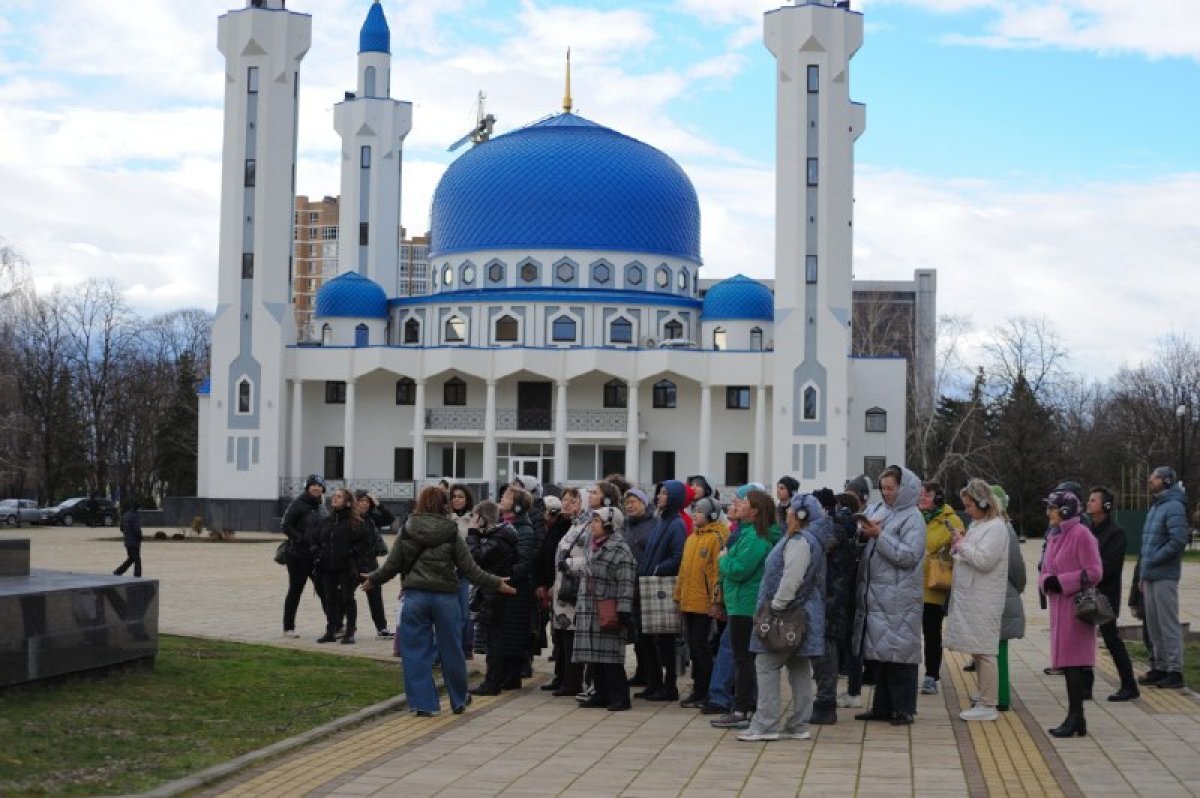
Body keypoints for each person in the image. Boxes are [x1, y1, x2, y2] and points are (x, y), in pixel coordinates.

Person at [362, 487, 514, 716]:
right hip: (446, 598)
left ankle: (424, 704)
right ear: (445, 505)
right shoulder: (452, 530)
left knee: (414, 653)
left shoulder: (407, 529)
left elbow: (392, 565)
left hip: (415, 597)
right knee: (452, 649)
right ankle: (459, 699)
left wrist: (373, 580)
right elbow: (470, 569)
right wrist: (496, 583)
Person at [738, 493, 828, 742]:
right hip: (803, 614)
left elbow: (791, 578)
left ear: (800, 516)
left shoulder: (800, 541)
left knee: (766, 664)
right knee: (798, 665)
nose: (785, 516)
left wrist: (777, 605)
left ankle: (765, 725)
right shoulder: (810, 539)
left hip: (788, 615)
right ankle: (799, 724)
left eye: (789, 513)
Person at [852, 465, 925, 726]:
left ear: (903, 489)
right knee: (879, 653)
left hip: (899, 596)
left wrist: (879, 536)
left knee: (900, 654)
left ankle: (904, 708)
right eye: (883, 488)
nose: (886, 493)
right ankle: (882, 706)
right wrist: (862, 533)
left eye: (891, 488)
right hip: (876, 594)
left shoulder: (913, 517)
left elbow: (909, 556)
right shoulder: (879, 510)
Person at [711, 487, 782, 730]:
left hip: (746, 605)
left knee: (744, 660)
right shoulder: (748, 534)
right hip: (739, 604)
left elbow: (739, 569)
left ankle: (742, 709)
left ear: (755, 511)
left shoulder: (756, 538)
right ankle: (746, 705)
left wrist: (723, 560)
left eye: (743, 503)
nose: (737, 505)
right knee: (744, 659)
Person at [943, 479, 1009, 722]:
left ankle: (989, 703)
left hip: (985, 598)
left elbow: (984, 560)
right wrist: (958, 543)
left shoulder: (996, 528)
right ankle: (983, 694)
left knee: (985, 650)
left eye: (970, 505)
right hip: (974, 597)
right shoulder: (979, 525)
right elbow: (967, 554)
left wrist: (963, 546)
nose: (967, 510)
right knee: (979, 650)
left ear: (983, 503)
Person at [1040, 488, 1103, 737]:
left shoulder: (1082, 535)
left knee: (1074, 664)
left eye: (1052, 508)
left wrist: (1063, 581)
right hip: (1059, 608)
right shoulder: (1055, 536)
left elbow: (1095, 572)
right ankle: (1077, 718)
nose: (1048, 513)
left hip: (1077, 609)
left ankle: (1075, 717)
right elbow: (1045, 568)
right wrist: (1047, 581)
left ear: (1065, 510)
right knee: (1068, 665)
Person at [574, 506, 638, 711]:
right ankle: (601, 694)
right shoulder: (590, 545)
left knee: (611, 657)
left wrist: (624, 609)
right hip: (589, 607)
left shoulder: (620, 549)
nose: (592, 525)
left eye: (597, 521)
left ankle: (620, 697)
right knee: (595, 657)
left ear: (610, 525)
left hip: (608, 607)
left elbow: (626, 582)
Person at [1080, 485, 1137, 701]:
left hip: (1105, 596)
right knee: (1084, 638)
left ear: (1106, 505)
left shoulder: (1116, 533)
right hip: (1088, 592)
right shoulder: (1088, 530)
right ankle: (1086, 687)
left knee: (1112, 639)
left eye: (1093, 500)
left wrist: (1088, 572)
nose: (1088, 503)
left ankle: (1129, 685)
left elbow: (1109, 566)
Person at [1137, 466, 1189, 690]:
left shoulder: (1174, 506)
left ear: (1166, 481)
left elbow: (1178, 540)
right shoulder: (1156, 507)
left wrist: (1155, 559)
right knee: (1154, 624)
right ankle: (1159, 666)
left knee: (1167, 623)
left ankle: (1175, 671)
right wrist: (1143, 573)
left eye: (1155, 477)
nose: (1150, 479)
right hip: (1150, 575)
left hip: (1165, 575)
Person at [636, 479, 688, 701]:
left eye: (665, 493)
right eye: (659, 493)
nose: (659, 497)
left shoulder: (676, 524)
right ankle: (654, 682)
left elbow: (678, 556)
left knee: (664, 639)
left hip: (662, 587)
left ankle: (669, 685)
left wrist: (657, 569)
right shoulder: (661, 520)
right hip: (649, 584)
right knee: (648, 637)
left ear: (674, 497)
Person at [675, 496, 729, 708]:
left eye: (699, 511)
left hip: (705, 604)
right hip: (689, 601)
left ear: (712, 515)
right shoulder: (692, 538)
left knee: (702, 648)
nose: (694, 514)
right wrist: (678, 595)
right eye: (694, 510)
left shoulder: (716, 538)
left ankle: (704, 690)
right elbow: (684, 570)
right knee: (694, 648)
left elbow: (717, 573)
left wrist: (716, 601)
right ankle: (698, 688)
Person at [809, 487, 856, 725]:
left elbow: (836, 572)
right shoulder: (828, 531)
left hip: (829, 599)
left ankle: (825, 701)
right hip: (827, 598)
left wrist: (829, 601)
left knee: (825, 649)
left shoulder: (829, 533)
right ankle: (823, 699)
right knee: (821, 650)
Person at [467, 501, 520, 695]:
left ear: (482, 518)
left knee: (494, 640)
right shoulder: (499, 535)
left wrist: (472, 534)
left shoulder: (500, 538)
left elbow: (477, 558)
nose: (472, 521)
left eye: (474, 517)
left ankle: (492, 683)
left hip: (495, 594)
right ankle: (492, 681)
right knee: (492, 639)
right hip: (491, 593)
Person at [918, 482, 963, 696]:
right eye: (920, 495)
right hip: (912, 584)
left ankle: (931, 676)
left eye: (927, 495)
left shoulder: (950, 520)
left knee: (931, 632)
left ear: (938, 498)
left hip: (934, 585)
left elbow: (939, 545)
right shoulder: (915, 517)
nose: (922, 499)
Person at [494, 485, 537, 690]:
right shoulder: (502, 524)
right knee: (503, 633)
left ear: (518, 505)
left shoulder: (524, 528)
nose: (502, 498)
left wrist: (508, 576)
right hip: (503, 585)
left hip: (517, 588)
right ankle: (503, 675)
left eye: (507, 496)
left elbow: (524, 559)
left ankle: (511, 677)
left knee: (513, 635)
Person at [315, 488, 371, 644]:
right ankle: (331, 632)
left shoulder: (355, 522)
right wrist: (319, 553)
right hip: (327, 567)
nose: (334, 498)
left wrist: (351, 552)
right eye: (334, 496)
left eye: (339, 496)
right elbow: (317, 539)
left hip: (347, 567)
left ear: (347, 502)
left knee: (348, 599)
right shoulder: (327, 520)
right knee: (330, 599)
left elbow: (366, 543)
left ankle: (349, 633)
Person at [549, 488, 591, 697]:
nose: (566, 504)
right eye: (564, 499)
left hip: (575, 590)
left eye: (573, 500)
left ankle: (573, 682)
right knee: (563, 636)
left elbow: (590, 557)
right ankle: (565, 679)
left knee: (572, 636)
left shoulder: (588, 526)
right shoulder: (573, 525)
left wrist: (570, 564)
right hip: (563, 589)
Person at [991, 484, 1026, 712]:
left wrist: (1017, 588)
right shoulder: (998, 527)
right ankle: (994, 691)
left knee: (999, 648)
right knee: (993, 648)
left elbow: (1017, 567)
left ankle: (1001, 695)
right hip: (998, 593)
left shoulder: (1005, 529)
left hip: (1002, 594)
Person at [280, 474, 328, 638]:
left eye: (319, 485)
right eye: (312, 485)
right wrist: (301, 538)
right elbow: (286, 525)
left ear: (323, 489)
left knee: (324, 590)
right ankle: (288, 627)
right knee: (295, 590)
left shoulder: (322, 506)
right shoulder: (298, 504)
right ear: (307, 487)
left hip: (316, 556)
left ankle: (335, 625)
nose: (316, 488)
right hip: (297, 555)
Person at [354, 490, 394, 639]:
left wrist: (378, 504)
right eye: (361, 500)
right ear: (354, 502)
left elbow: (389, 519)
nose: (364, 503)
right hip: (353, 564)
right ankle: (340, 625)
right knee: (345, 596)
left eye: (366, 501)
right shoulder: (349, 518)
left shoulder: (372, 518)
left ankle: (381, 628)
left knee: (376, 596)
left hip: (370, 563)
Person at [448, 484, 477, 658]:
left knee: (466, 611)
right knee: (450, 612)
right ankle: (451, 647)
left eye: (461, 496)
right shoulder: (445, 518)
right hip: (447, 571)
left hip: (466, 571)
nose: (457, 499)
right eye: (454, 496)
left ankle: (466, 648)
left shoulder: (473, 518)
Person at [114, 500, 143, 577]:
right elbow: (137, 529)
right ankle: (137, 575)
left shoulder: (125, 515)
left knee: (131, 558)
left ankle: (118, 571)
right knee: (137, 560)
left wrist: (127, 533)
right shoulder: (135, 516)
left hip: (127, 541)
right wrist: (140, 537)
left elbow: (121, 528)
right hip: (134, 541)